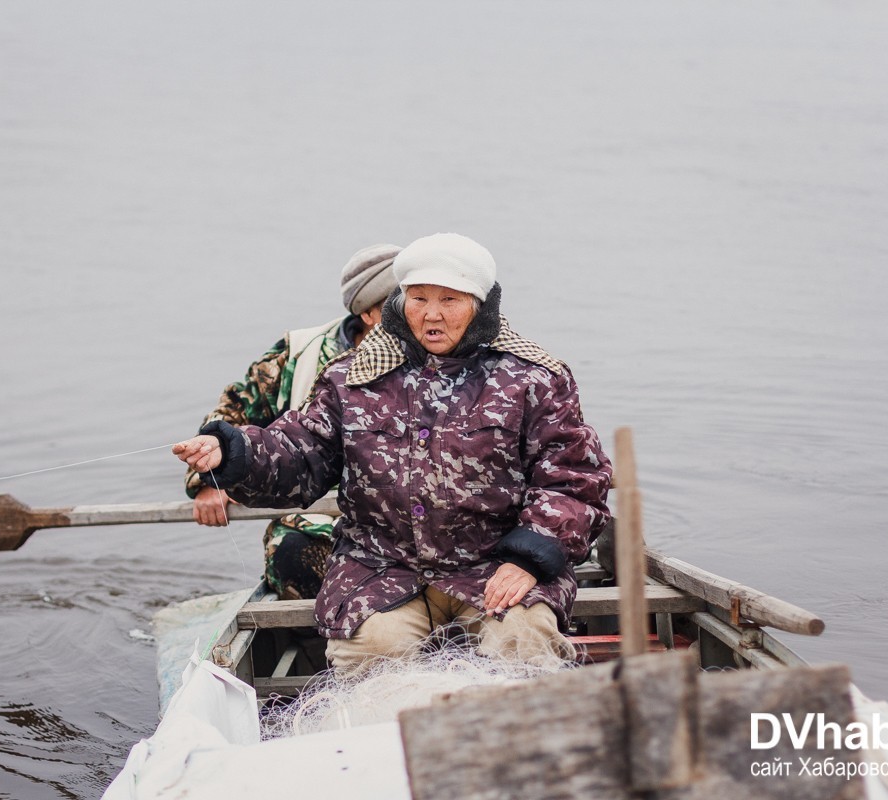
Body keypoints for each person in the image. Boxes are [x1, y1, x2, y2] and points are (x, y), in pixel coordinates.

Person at [173, 233, 613, 674]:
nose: (433, 314)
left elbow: (574, 480)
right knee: (370, 653)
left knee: (523, 640)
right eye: (419, 298)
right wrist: (234, 451)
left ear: (480, 304)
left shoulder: (533, 377)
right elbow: (301, 451)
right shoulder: (350, 377)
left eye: (450, 300)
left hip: (495, 566)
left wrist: (529, 560)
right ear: (399, 303)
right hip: (381, 569)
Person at [185, 243, 401, 600]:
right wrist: (210, 479)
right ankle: (315, 648)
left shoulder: (443, 353)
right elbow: (232, 412)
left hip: (407, 519)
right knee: (292, 553)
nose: (419, 313)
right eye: (401, 301)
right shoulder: (301, 351)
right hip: (315, 513)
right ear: (368, 313)